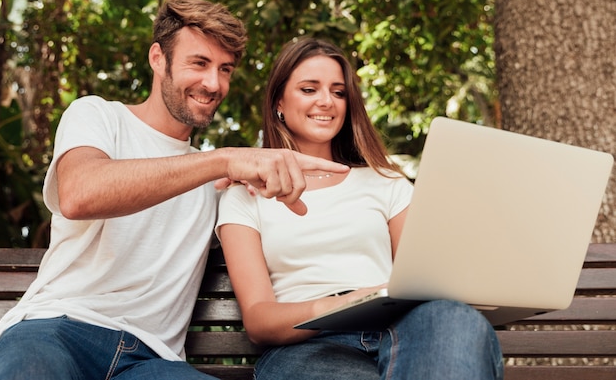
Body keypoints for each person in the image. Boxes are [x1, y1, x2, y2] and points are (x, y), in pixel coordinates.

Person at [0, 0, 348, 380]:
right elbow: (79, 195)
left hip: (151, 360)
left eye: (225, 69)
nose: (213, 84)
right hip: (56, 329)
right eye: (199, 63)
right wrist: (221, 161)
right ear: (158, 58)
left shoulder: (222, 186)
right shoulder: (98, 116)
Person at [216, 37, 504, 380]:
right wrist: (346, 303)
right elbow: (259, 320)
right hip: (309, 349)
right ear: (279, 101)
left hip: (401, 335)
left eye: (338, 92)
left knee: (452, 317)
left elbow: (423, 279)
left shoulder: (387, 183)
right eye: (309, 89)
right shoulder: (246, 196)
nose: (327, 101)